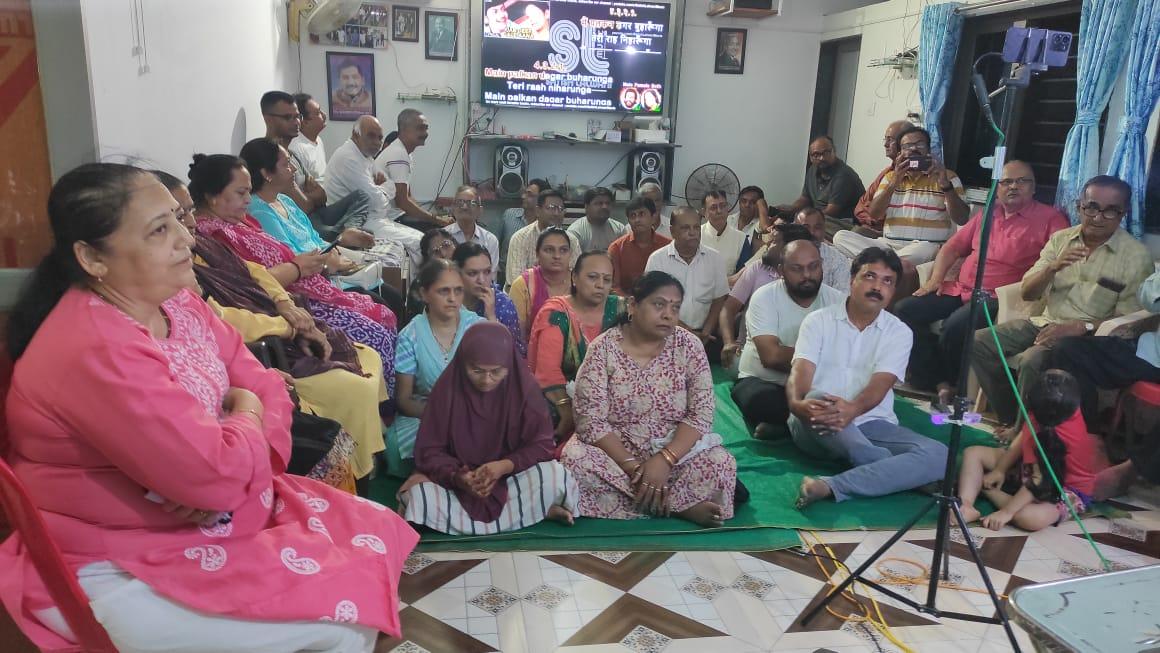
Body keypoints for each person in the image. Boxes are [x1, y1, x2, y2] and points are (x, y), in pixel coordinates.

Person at [0, 163, 417, 653]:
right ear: (93, 257)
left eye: (179, 218)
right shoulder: (95, 346)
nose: (186, 240)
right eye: (160, 230)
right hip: (115, 558)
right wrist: (242, 422)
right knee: (341, 624)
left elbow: (264, 384)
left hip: (207, 521)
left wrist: (230, 442)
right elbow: (219, 469)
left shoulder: (175, 303)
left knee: (371, 533)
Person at [158, 170, 388, 484]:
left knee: (369, 344)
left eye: (185, 213)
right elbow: (223, 320)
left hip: (280, 318)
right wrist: (286, 325)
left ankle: (366, 450)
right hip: (267, 345)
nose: (188, 226)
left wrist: (286, 306)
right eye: (173, 219)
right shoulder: (182, 272)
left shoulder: (204, 243)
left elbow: (253, 272)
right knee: (355, 376)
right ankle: (356, 472)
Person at [972, 175, 1154, 443]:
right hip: (1043, 321)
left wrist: (1083, 326)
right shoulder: (1061, 240)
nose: (1099, 217)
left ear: (1122, 213)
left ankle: (1025, 433)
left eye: (1110, 210)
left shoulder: (1136, 256)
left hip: (1087, 339)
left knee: (1033, 359)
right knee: (980, 341)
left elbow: (1129, 323)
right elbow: (1027, 292)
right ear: (1079, 206)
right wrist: (1052, 268)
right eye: (1092, 207)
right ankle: (1010, 417)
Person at [189, 154, 400, 383]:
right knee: (377, 334)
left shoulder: (239, 221)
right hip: (285, 308)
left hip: (298, 296)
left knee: (385, 311)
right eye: (241, 193)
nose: (248, 199)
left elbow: (270, 265)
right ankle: (387, 408)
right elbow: (246, 285)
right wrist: (297, 269)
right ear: (212, 197)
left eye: (248, 191)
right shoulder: (211, 236)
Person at [560, 271, 738, 527]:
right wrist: (635, 468)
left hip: (672, 449)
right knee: (575, 462)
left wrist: (665, 460)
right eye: (659, 304)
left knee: (722, 464)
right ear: (632, 305)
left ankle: (649, 500)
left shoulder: (688, 346)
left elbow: (701, 413)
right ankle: (678, 507)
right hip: (617, 453)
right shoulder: (603, 349)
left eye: (675, 307)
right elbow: (591, 420)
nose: (668, 314)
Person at [894, 161, 1068, 402]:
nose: (1013, 187)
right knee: (905, 309)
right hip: (960, 289)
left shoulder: (1051, 219)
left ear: (1034, 187)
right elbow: (952, 247)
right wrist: (935, 279)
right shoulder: (989, 213)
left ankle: (953, 386)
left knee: (955, 326)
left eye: (1022, 181)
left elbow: (1058, 263)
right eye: (1006, 182)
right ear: (997, 189)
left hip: (999, 297)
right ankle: (933, 380)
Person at [788, 247, 947, 507]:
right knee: (817, 398)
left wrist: (853, 409)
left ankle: (831, 485)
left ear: (893, 291)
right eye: (870, 276)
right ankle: (906, 475)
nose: (877, 287)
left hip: (874, 424)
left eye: (887, 281)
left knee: (939, 454)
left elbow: (880, 385)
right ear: (852, 280)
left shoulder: (899, 332)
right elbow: (800, 373)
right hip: (816, 422)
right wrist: (796, 405)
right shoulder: (818, 321)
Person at [399, 322, 578, 534]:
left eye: (496, 371)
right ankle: (535, 511)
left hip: (511, 478)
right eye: (476, 370)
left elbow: (542, 445)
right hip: (457, 484)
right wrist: (460, 477)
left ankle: (530, 510)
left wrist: (504, 466)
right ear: (463, 362)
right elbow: (428, 451)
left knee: (556, 476)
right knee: (419, 495)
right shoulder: (447, 390)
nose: (486, 380)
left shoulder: (524, 390)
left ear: (509, 365)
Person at [957, 370, 1105, 531]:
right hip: (1030, 469)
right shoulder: (1049, 408)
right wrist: (1000, 469)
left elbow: (1040, 479)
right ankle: (966, 506)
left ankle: (985, 489)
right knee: (973, 453)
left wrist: (1006, 512)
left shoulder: (1063, 435)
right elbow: (1024, 436)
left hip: (1061, 485)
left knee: (1028, 518)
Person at [733, 240, 847, 439]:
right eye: (797, 269)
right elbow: (772, 357)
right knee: (759, 400)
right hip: (765, 381)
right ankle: (799, 425)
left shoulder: (837, 301)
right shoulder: (765, 298)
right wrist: (821, 359)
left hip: (815, 385)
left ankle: (789, 427)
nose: (807, 275)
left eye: (814, 267)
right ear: (781, 271)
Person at [385, 259, 485, 476]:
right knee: (397, 443)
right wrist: (445, 416)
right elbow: (404, 400)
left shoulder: (477, 328)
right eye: (443, 291)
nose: (452, 299)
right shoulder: (409, 336)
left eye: (458, 291)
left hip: (476, 412)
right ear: (424, 293)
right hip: (427, 415)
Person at [1052, 268, 1160, 442]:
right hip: (1147, 351)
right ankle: (1084, 435)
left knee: (1067, 350)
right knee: (1068, 349)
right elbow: (1148, 299)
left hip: (1153, 362)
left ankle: (1084, 440)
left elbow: (1148, 300)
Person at [833, 126, 969, 265]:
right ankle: (892, 264)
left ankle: (883, 263)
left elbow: (962, 219)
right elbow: (874, 214)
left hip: (922, 248)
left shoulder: (948, 177)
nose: (913, 149)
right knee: (840, 237)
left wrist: (945, 184)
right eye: (907, 146)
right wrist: (895, 181)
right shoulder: (890, 178)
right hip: (888, 246)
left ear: (928, 150)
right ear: (899, 153)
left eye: (920, 144)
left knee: (926, 249)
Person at [528, 252, 624, 443]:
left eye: (607, 279)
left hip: (616, 396)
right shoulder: (556, 313)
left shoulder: (623, 310)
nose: (600, 285)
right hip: (564, 397)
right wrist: (567, 411)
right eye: (592, 277)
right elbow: (548, 372)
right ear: (574, 277)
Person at [242, 138, 375, 262]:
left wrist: (340, 244)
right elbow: (289, 257)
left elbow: (316, 241)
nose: (293, 168)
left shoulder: (284, 200)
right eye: (286, 164)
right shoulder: (259, 211)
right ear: (267, 174)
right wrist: (338, 245)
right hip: (310, 275)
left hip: (322, 261)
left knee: (373, 263)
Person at [324, 115, 426, 266]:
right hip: (357, 223)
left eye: (380, 138)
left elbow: (388, 191)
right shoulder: (349, 158)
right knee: (419, 243)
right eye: (371, 136)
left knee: (422, 238)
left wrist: (381, 189)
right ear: (356, 135)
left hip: (375, 218)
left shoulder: (365, 156)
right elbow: (376, 200)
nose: (377, 143)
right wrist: (384, 188)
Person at [718, 223, 813, 373]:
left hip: (788, 356)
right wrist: (729, 342)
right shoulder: (758, 268)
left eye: (774, 241)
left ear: (789, 249)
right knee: (735, 364)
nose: (767, 243)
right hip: (747, 352)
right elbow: (728, 309)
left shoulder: (808, 281)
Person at [644, 207, 729, 359]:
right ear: (672, 231)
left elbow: (719, 299)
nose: (692, 232)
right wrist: (686, 332)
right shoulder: (658, 259)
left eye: (696, 227)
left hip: (705, 337)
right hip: (666, 334)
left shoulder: (715, 259)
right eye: (685, 228)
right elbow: (652, 302)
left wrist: (706, 331)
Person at [288, 92, 371, 239]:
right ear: (304, 121)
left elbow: (317, 185)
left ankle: (348, 231)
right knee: (363, 233)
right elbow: (300, 196)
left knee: (361, 196)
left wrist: (319, 193)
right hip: (308, 214)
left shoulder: (318, 141)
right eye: (318, 112)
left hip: (323, 207)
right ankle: (341, 235)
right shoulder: (296, 147)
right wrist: (317, 195)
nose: (324, 115)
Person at [375, 109, 450, 234]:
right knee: (439, 233)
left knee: (441, 224)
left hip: (396, 215)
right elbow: (402, 202)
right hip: (389, 219)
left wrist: (433, 217)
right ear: (404, 129)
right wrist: (436, 219)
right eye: (420, 128)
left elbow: (408, 197)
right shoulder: (398, 153)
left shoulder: (405, 154)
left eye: (426, 128)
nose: (425, 133)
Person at [778, 136, 866, 238]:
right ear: (810, 157)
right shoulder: (813, 169)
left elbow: (831, 212)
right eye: (816, 155)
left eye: (826, 153)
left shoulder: (843, 175)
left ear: (834, 151)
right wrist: (790, 210)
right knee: (780, 223)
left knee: (800, 229)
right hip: (820, 218)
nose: (821, 158)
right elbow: (805, 198)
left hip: (842, 223)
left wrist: (800, 219)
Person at [453, 241, 526, 357]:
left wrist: (491, 317)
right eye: (472, 273)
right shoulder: (447, 300)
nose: (481, 280)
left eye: (487, 272)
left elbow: (515, 355)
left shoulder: (503, 305)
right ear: (456, 273)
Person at [510, 227, 574, 339]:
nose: (557, 256)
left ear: (570, 254)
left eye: (563, 250)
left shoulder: (579, 281)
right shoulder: (523, 284)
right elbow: (517, 336)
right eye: (549, 250)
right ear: (537, 254)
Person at [506, 188, 581, 283]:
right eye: (551, 208)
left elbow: (576, 278)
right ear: (538, 211)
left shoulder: (572, 240)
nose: (556, 213)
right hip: (525, 294)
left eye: (561, 209)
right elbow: (515, 280)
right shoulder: (521, 238)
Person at [853, 120, 913, 236]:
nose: (885, 144)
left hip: (886, 232)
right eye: (885, 139)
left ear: (904, 143)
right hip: (865, 225)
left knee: (855, 233)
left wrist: (872, 217)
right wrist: (868, 217)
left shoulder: (914, 175)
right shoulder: (887, 172)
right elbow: (861, 204)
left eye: (890, 140)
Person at [607, 195, 670, 296]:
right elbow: (614, 286)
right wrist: (632, 304)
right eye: (633, 216)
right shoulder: (617, 248)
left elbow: (671, 283)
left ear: (653, 217)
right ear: (628, 221)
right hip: (626, 304)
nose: (637, 220)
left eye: (642, 214)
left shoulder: (668, 246)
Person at [498, 178, 547, 283]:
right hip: (504, 276)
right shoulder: (509, 215)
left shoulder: (545, 226)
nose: (523, 196)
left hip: (536, 280)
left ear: (541, 200)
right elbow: (497, 242)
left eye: (529, 194)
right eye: (524, 193)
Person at [793, 207, 852, 293]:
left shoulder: (838, 261)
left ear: (824, 229)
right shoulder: (783, 255)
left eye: (817, 227)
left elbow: (842, 298)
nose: (812, 232)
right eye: (806, 227)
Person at [445, 185, 499, 265]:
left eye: (471, 203)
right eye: (460, 202)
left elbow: (491, 274)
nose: (464, 207)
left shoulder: (490, 240)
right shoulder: (443, 236)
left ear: (480, 210)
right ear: (453, 208)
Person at [700, 190, 746, 278]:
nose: (719, 211)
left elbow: (743, 275)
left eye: (723, 206)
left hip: (730, 290)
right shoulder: (696, 235)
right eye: (713, 207)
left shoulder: (741, 238)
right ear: (704, 212)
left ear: (728, 208)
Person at [568, 187, 628, 252]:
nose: (604, 207)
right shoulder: (575, 232)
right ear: (587, 207)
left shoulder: (619, 229)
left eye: (608, 203)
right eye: (599, 203)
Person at [730, 185, 766, 266]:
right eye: (743, 201)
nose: (747, 205)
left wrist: (762, 206)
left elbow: (766, 229)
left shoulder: (760, 225)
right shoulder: (728, 220)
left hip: (746, 270)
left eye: (753, 202)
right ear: (739, 202)